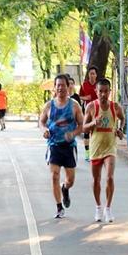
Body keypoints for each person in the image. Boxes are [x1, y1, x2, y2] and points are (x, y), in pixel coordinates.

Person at [39, 74, 84, 219]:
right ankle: (59, 207)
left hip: (69, 147)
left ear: (68, 86)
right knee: (54, 176)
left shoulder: (74, 105)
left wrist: (73, 133)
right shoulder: (49, 105)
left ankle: (65, 189)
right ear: (55, 87)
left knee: (70, 180)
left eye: (63, 85)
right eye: (57, 85)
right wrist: (44, 130)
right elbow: (41, 122)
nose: (60, 88)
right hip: (54, 145)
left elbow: (81, 125)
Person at [83, 77, 125, 222]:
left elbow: (122, 118)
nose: (103, 94)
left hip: (110, 148)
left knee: (110, 177)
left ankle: (108, 208)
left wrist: (120, 129)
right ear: (96, 91)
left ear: (110, 92)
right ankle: (98, 207)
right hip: (96, 148)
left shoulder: (115, 107)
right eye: (100, 91)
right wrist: (93, 122)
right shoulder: (91, 107)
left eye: (106, 91)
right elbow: (84, 127)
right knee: (96, 180)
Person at [79, 66, 99, 162]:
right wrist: (86, 98)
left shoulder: (99, 85)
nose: (92, 75)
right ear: (88, 75)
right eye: (90, 73)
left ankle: (95, 152)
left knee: (96, 131)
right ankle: (87, 153)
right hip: (87, 111)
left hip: (98, 111)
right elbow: (80, 96)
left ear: (96, 75)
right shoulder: (84, 85)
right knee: (86, 130)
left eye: (93, 73)